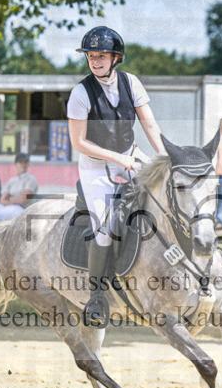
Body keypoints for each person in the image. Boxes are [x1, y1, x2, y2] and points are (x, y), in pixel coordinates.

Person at [66, 26, 167, 328]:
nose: (95, 61)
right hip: (96, 168)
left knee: (168, 196)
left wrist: (165, 158)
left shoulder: (131, 83)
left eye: (101, 56)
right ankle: (97, 295)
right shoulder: (80, 94)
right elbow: (78, 142)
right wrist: (118, 158)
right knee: (106, 227)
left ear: (115, 58)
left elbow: (149, 124)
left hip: (131, 156)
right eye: (90, 56)